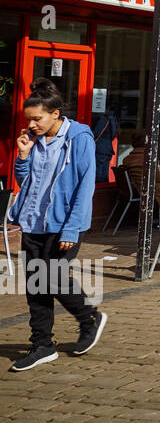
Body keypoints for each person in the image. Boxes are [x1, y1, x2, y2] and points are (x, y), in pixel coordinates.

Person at [6, 79, 107, 371]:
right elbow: (27, 184)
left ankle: (89, 317)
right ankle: (42, 345)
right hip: (33, 222)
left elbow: (84, 187)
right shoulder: (34, 141)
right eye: (29, 120)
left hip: (63, 224)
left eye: (37, 119)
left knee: (53, 278)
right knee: (36, 287)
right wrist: (23, 156)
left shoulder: (79, 138)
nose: (32, 125)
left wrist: (72, 228)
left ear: (56, 113)